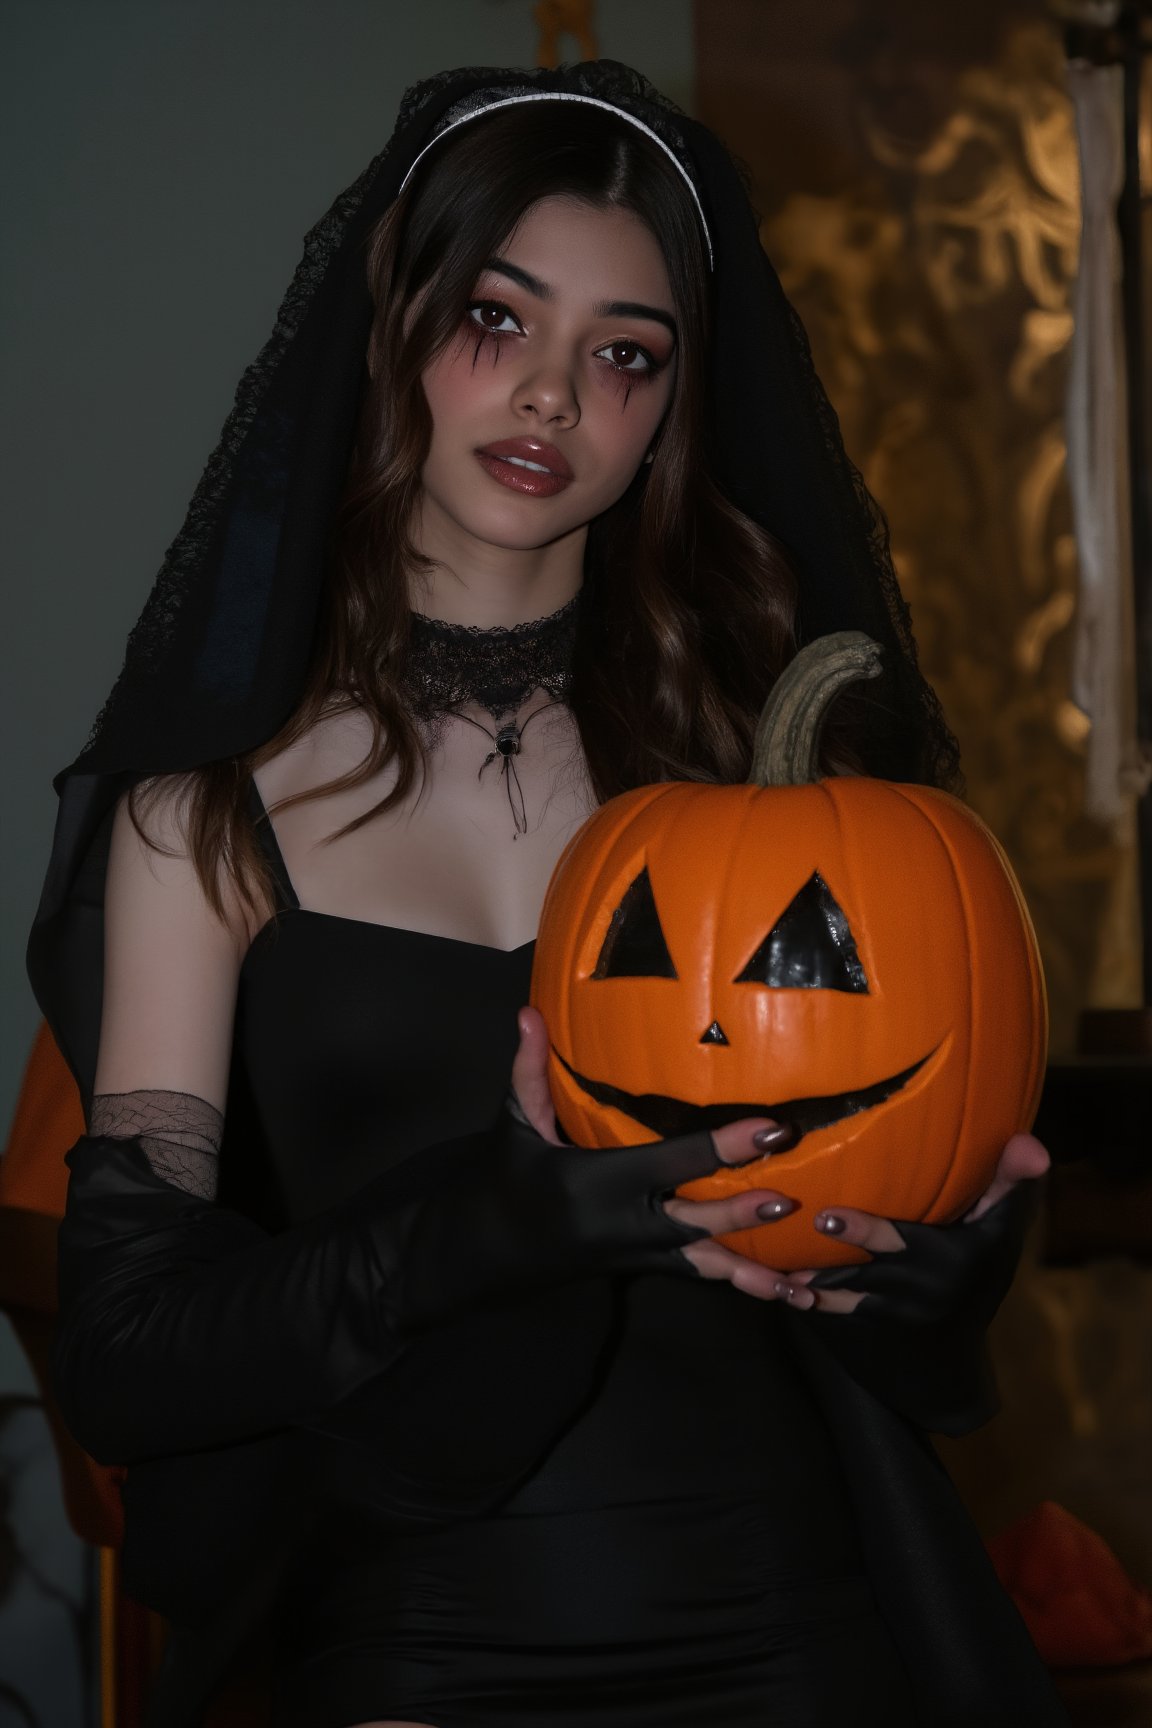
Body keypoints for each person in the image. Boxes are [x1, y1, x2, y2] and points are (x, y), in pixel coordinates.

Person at [27, 60, 1067, 1728]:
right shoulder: (205, 817)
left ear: (671, 404)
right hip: (413, 1650)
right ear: (397, 325)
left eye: (623, 355)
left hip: (806, 1636)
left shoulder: (777, 777)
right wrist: (483, 1227)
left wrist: (935, 1288)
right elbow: (131, 1360)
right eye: (498, 323)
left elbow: (897, 1306)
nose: (552, 399)